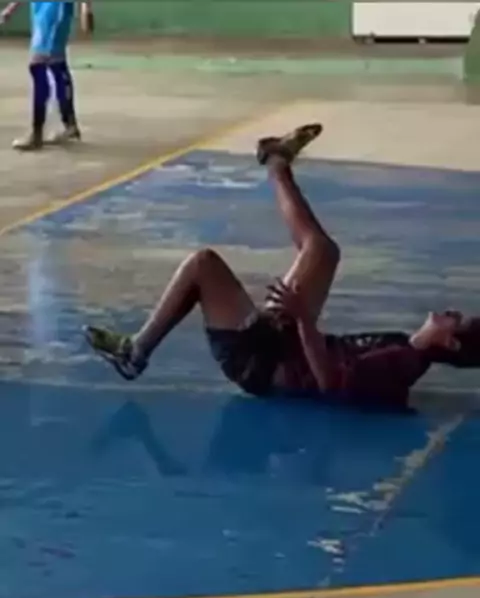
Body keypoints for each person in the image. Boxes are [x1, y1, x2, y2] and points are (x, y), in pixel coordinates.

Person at [84, 124, 480, 409]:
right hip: (282, 343)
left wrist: (302, 316)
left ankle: (136, 352)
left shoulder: (403, 361)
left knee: (203, 265)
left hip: (260, 361)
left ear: (450, 343)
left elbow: (330, 383)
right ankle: (277, 161)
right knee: (322, 250)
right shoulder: (404, 349)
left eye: (456, 320)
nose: (451, 311)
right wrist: (295, 321)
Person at [0, 0, 94, 151]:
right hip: (41, 9)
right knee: (56, 65)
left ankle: (36, 132)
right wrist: (12, 7)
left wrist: (86, 8)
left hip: (55, 9)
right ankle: (69, 125)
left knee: (38, 66)